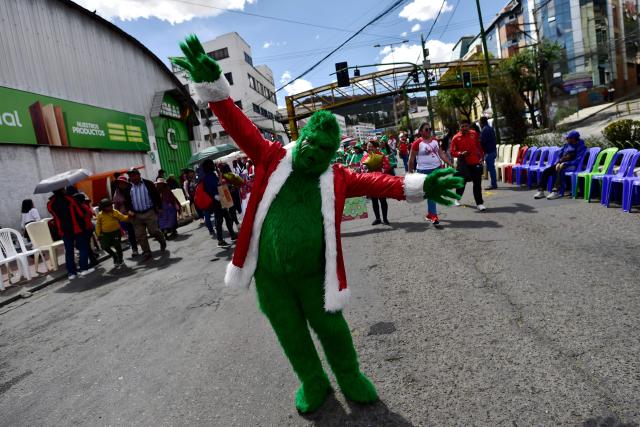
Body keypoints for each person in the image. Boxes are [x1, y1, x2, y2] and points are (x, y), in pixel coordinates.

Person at [171, 34, 464, 414]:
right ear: (302, 138)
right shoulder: (271, 156)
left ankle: (348, 375)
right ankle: (312, 380)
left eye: (324, 151)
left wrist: (425, 182)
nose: (314, 153)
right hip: (270, 276)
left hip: (315, 275)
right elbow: (239, 125)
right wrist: (216, 91)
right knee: (289, 333)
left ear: (332, 153)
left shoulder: (337, 176)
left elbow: (380, 182)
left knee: (331, 329)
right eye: (310, 144)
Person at [408, 123, 452, 225]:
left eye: (429, 129)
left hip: (436, 169)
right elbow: (411, 160)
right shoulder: (416, 143)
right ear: (421, 131)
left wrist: (449, 162)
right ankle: (432, 215)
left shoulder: (435, 141)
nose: (428, 131)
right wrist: (410, 174)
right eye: (426, 129)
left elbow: (441, 153)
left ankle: (432, 215)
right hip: (423, 171)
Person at [47, 188, 94, 279]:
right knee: (83, 247)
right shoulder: (70, 199)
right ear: (61, 190)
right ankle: (84, 269)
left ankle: (71, 273)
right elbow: (81, 213)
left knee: (69, 251)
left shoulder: (50, 204)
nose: (65, 189)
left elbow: (54, 215)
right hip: (76, 228)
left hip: (63, 230)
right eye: (63, 188)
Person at [124, 168, 166, 261]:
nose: (132, 177)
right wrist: (129, 210)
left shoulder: (148, 184)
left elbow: (156, 196)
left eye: (134, 175)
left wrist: (159, 207)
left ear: (139, 175)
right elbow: (127, 201)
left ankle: (162, 241)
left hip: (149, 212)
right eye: (130, 176)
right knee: (140, 235)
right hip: (136, 215)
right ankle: (147, 252)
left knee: (153, 231)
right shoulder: (128, 188)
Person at [534, 130, 587, 200]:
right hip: (562, 164)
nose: (567, 139)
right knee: (546, 171)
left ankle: (555, 191)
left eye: (568, 138)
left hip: (573, 166)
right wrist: (558, 163)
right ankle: (541, 191)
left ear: (574, 139)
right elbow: (559, 155)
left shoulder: (581, 147)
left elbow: (577, 160)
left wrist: (565, 163)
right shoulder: (566, 145)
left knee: (560, 170)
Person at [450, 120, 486, 211]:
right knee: (462, 183)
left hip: (475, 162)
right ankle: (457, 198)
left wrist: (481, 156)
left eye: (466, 126)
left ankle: (479, 203)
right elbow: (452, 152)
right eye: (462, 126)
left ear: (469, 126)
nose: (464, 128)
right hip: (463, 165)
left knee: (477, 183)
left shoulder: (474, 134)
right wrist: (460, 153)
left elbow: (479, 146)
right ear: (460, 127)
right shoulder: (456, 138)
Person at [201, 159, 237, 247]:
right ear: (209, 166)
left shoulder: (211, 175)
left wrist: (219, 175)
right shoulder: (208, 177)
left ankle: (232, 235)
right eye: (212, 164)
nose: (214, 165)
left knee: (227, 218)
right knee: (219, 220)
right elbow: (217, 185)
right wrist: (220, 176)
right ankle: (220, 240)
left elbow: (218, 184)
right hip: (216, 201)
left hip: (219, 199)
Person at [361, 140, 391, 225]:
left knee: (383, 200)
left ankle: (385, 218)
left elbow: (387, 166)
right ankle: (378, 218)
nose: (369, 148)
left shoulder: (381, 155)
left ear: (375, 147)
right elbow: (362, 167)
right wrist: (364, 169)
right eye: (368, 146)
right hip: (371, 181)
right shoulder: (365, 157)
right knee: (374, 201)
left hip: (380, 180)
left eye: (371, 146)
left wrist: (381, 171)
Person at [96, 198, 128, 268]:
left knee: (117, 246)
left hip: (116, 232)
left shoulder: (115, 212)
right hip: (105, 234)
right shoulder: (100, 215)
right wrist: (98, 234)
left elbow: (123, 218)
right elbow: (98, 225)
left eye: (110, 205)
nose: (110, 207)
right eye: (108, 206)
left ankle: (120, 259)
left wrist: (129, 216)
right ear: (103, 208)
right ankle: (114, 256)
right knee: (104, 246)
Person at [112, 176, 139, 257]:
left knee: (139, 231)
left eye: (122, 182)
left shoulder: (132, 189)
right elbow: (116, 204)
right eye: (119, 183)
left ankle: (145, 247)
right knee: (130, 233)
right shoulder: (117, 192)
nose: (121, 184)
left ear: (126, 183)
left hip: (136, 213)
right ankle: (135, 249)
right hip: (126, 216)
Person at [479, 117, 498, 190]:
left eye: (480, 123)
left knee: (491, 168)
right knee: (491, 168)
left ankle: (493, 184)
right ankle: (493, 183)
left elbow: (482, 142)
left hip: (489, 152)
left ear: (481, 122)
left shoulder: (484, 130)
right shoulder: (490, 128)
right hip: (493, 150)